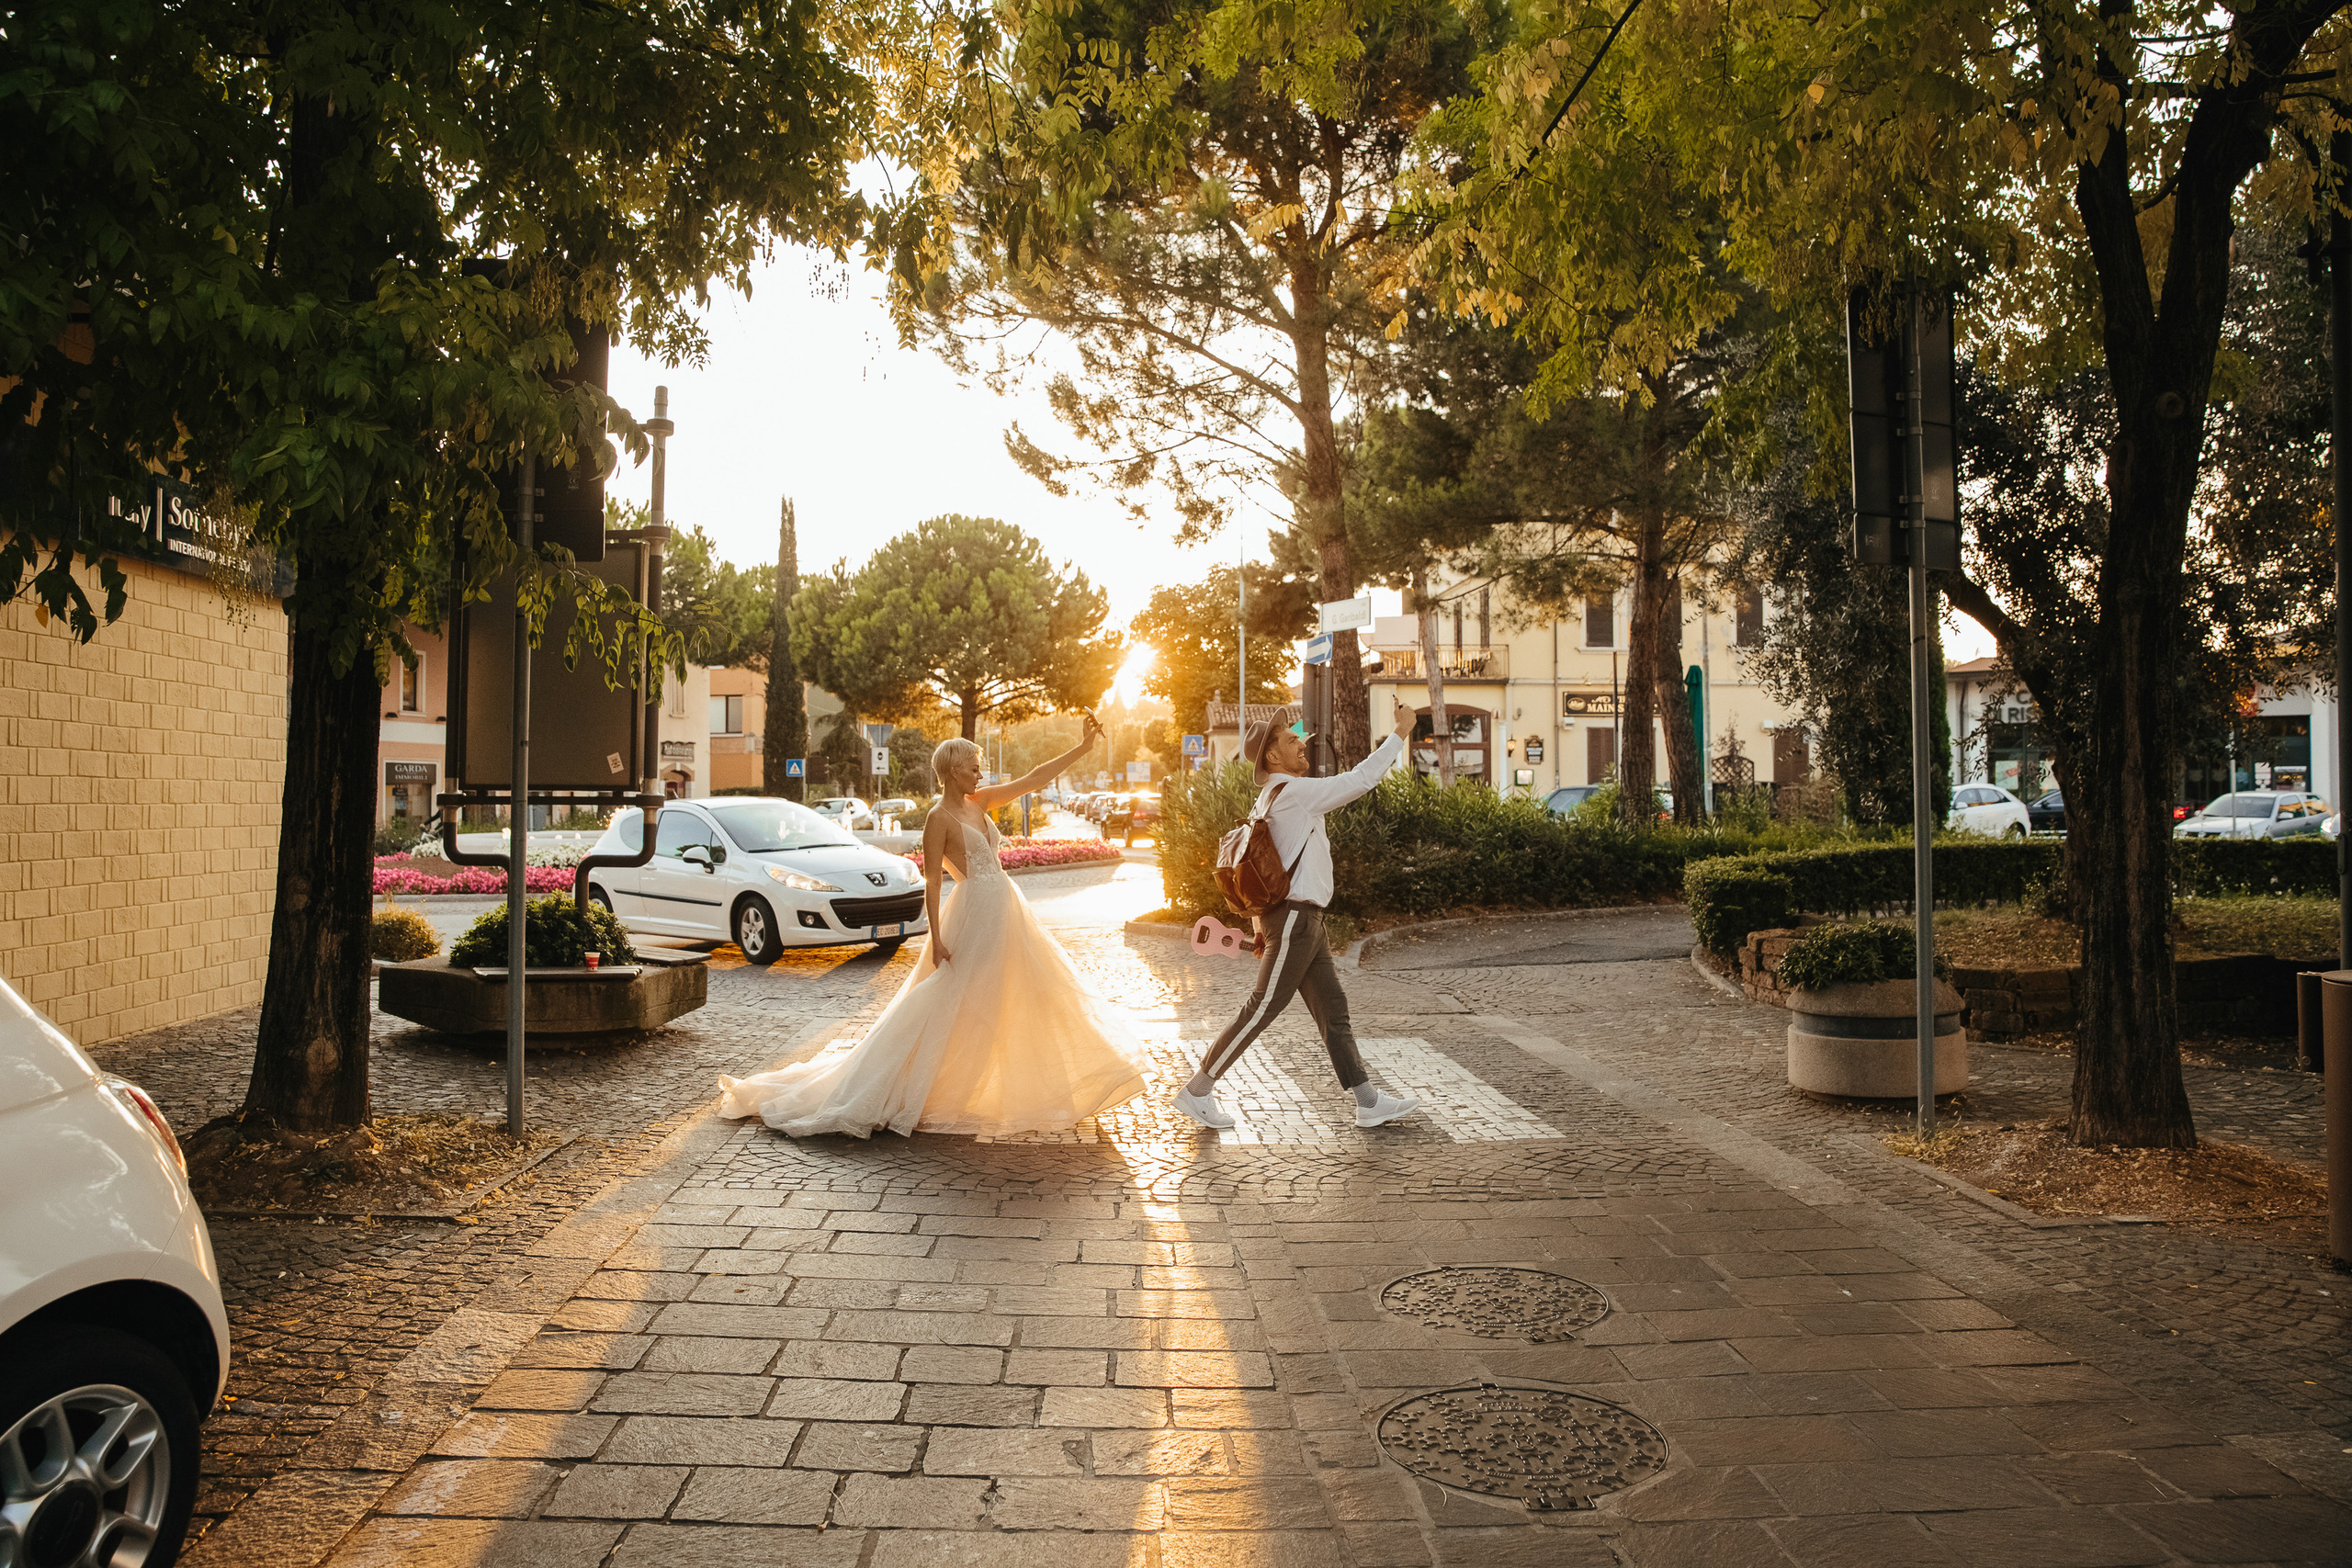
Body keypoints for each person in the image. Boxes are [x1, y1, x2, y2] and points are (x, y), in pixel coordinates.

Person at [718, 716, 1146, 1138]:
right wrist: (937, 940)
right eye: (974, 767)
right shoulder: (939, 818)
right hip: (974, 914)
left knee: (1021, 992)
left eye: (980, 766)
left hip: (1006, 909)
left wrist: (1084, 748)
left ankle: (1011, 1083)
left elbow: (1033, 779)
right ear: (953, 770)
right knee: (955, 1001)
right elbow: (934, 884)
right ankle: (906, 1084)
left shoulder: (979, 803)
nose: (980, 773)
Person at [1176, 699, 1422, 1132]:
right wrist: (1399, 733)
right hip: (1295, 920)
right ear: (1273, 756)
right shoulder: (1294, 793)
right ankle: (1198, 1089)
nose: (1302, 743)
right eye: (1292, 740)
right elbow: (1361, 779)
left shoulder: (1269, 799)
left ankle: (1368, 1102)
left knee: (1333, 1008)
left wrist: (1259, 928)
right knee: (1262, 1007)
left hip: (1300, 922)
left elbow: (1261, 868)